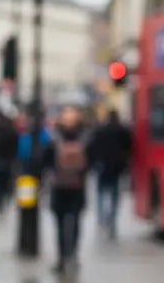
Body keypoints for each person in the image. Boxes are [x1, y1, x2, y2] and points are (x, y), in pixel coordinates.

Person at [41, 106, 89, 273]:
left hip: (59, 186)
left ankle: (62, 258)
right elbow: (90, 162)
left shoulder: (54, 138)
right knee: (75, 223)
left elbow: (45, 161)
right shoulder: (84, 137)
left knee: (61, 225)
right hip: (77, 186)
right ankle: (72, 256)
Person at [88, 108, 133, 238]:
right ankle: (112, 219)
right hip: (116, 167)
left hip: (102, 165)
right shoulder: (122, 130)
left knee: (101, 192)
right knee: (114, 193)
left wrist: (94, 162)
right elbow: (129, 146)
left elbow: (93, 147)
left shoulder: (100, 130)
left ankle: (101, 218)